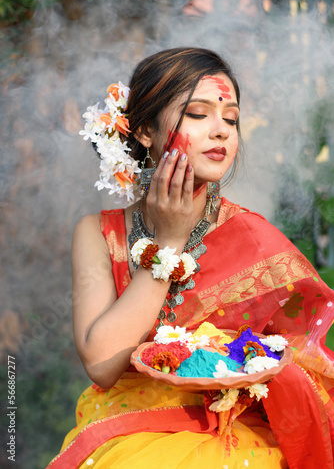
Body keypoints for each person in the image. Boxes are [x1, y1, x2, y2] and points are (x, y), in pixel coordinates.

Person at [47, 47, 334, 469]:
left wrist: (242, 365)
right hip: (126, 428)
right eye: (198, 114)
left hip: (233, 431)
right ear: (144, 131)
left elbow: (309, 360)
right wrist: (169, 242)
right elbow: (102, 364)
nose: (221, 131)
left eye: (231, 119)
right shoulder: (99, 233)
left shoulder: (253, 239)